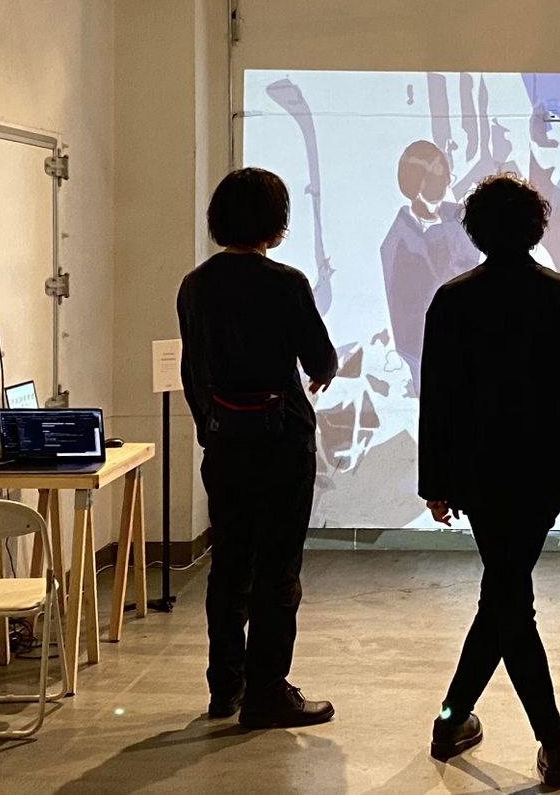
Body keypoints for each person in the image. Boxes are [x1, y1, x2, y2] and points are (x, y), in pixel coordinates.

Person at [415, 174, 560, 787]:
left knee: (504, 595)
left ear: (475, 231)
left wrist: (434, 482)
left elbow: (437, 401)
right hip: (544, 475)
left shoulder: (452, 300)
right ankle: (550, 739)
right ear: (536, 227)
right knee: (508, 596)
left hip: (477, 475)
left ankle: (456, 721)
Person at [179, 167, 342, 729]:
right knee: (278, 568)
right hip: (282, 443)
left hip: (225, 443)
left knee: (229, 564)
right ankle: (267, 691)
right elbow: (320, 358)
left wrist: (211, 428)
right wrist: (324, 372)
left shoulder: (195, 285)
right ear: (276, 222)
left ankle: (225, 687)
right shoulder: (286, 283)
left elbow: (193, 372)